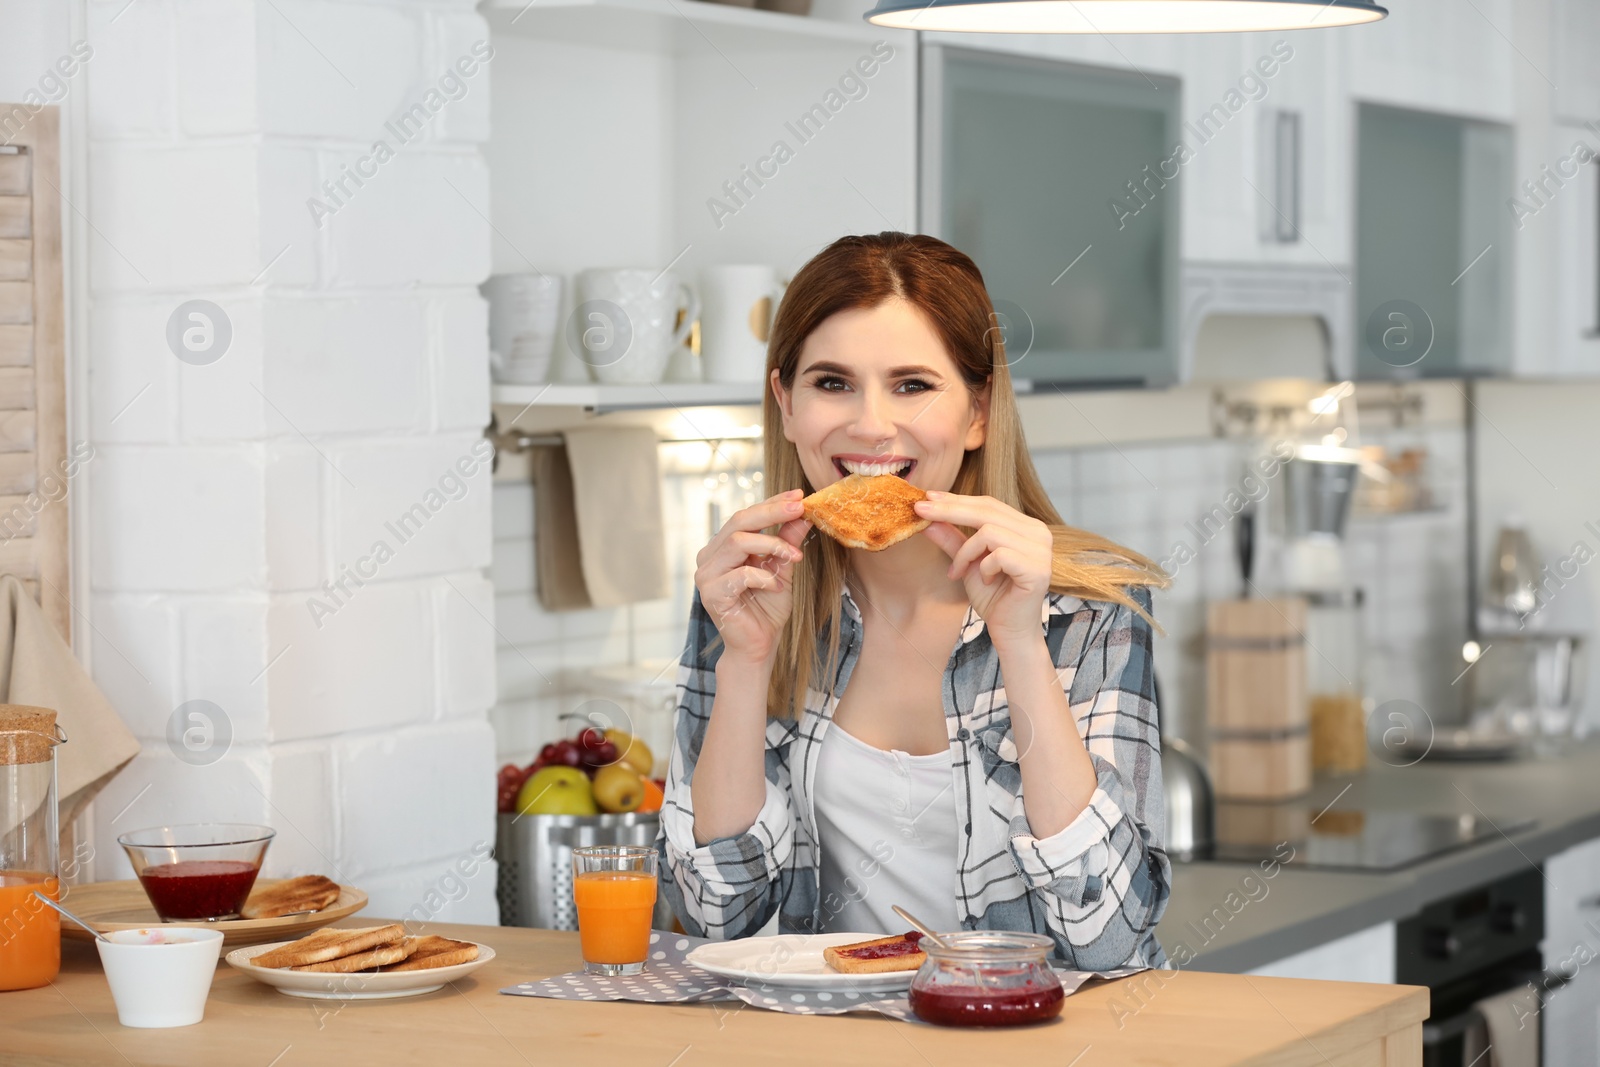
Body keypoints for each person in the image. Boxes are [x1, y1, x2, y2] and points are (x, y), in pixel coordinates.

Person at [655, 231, 1172, 971]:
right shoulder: (746, 591)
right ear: (786, 403)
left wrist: (1021, 644)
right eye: (832, 382)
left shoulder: (1091, 615)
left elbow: (1109, 936)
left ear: (978, 411)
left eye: (912, 385)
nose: (869, 424)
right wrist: (745, 657)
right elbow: (718, 918)